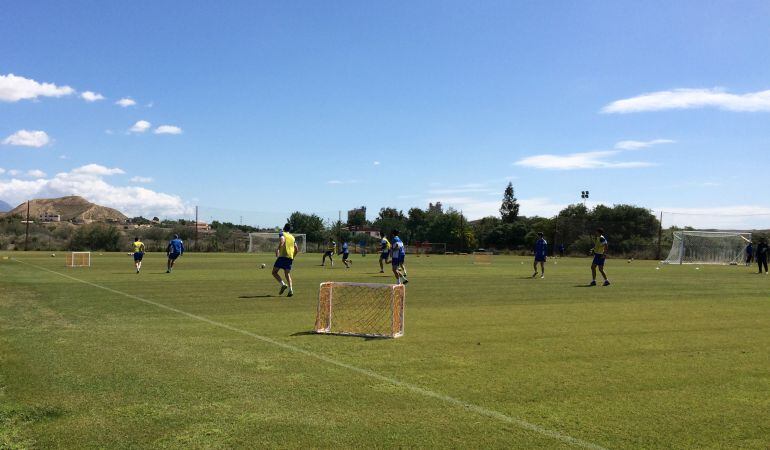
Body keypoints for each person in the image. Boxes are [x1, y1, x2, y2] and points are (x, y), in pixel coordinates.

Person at [273, 223, 299, 297]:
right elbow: (297, 249)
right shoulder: (292, 237)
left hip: (283, 256)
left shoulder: (282, 233)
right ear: (290, 229)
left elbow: (282, 240)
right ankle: (291, 290)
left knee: (274, 272)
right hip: (290, 257)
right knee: (287, 274)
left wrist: (278, 249)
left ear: (284, 227)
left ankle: (283, 284)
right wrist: (293, 257)